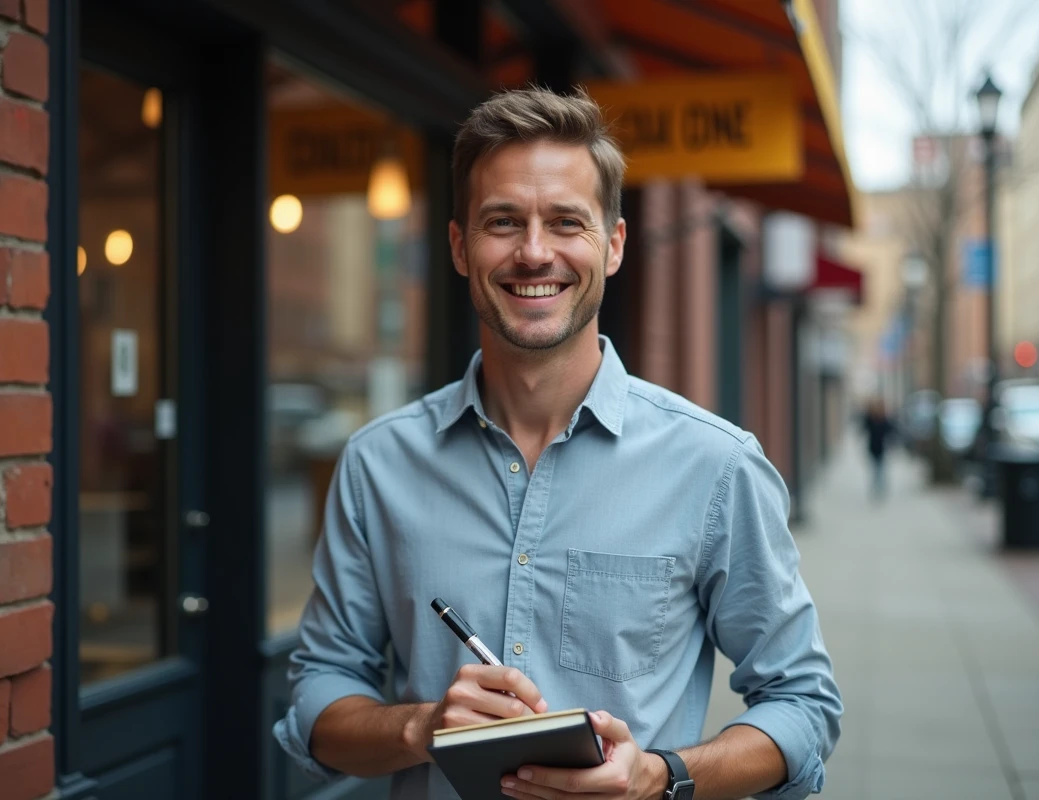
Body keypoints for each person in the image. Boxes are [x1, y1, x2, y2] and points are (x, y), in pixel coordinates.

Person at [274, 87, 841, 800]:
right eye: (502, 222)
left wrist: (661, 777)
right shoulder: (377, 464)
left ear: (613, 245)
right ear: (458, 246)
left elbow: (803, 704)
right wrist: (422, 728)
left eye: (566, 222)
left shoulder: (716, 467)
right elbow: (319, 697)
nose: (534, 252)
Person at [862, 397, 893, 499]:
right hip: (872, 448)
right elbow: (863, 427)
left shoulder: (884, 419)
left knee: (880, 469)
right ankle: (876, 488)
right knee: (876, 470)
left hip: (881, 448)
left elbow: (891, 430)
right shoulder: (870, 419)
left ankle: (880, 488)